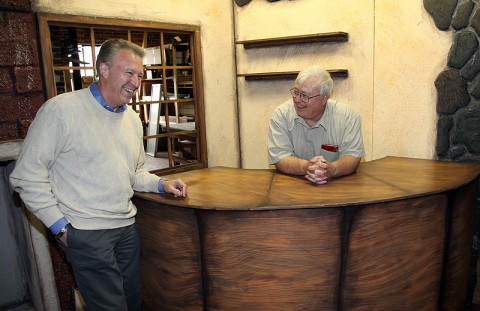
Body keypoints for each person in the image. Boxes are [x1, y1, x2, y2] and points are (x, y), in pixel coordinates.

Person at [9, 39, 188, 311]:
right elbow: (26, 177)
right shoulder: (61, 111)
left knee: (133, 302)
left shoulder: (131, 118)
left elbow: (135, 172)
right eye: (129, 73)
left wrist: (162, 184)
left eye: (140, 75)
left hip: (126, 230)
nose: (136, 82)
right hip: (86, 234)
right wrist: (61, 228)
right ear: (103, 70)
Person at [268, 65, 365, 184]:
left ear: (324, 99)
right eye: (296, 92)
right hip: (293, 186)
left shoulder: (348, 118)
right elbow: (280, 158)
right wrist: (307, 167)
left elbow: (353, 157)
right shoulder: (280, 116)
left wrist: (332, 169)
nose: (297, 99)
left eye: (304, 95)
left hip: (335, 188)